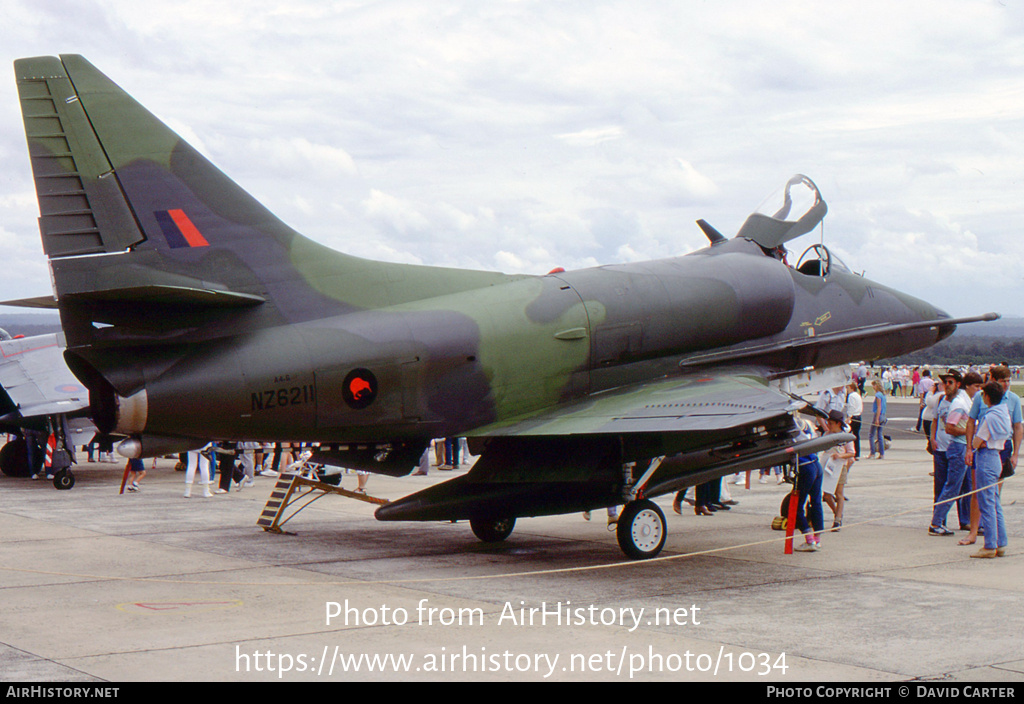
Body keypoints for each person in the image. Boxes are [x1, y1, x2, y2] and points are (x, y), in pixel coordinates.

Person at [968, 381, 1011, 558]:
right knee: (994, 502)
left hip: (987, 458)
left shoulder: (990, 416)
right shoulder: (1004, 412)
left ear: (987, 396)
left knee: (986, 503)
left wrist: (976, 443)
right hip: (997, 457)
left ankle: (990, 545)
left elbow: (977, 441)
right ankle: (1001, 543)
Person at [928, 369, 973, 536]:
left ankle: (965, 520)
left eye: (950, 382)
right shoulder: (942, 399)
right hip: (942, 448)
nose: (946, 385)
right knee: (944, 486)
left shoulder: (961, 401)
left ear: (958, 384)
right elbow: (939, 422)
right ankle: (939, 521)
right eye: (944, 382)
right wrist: (932, 439)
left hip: (954, 447)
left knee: (964, 486)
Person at [821, 409, 855, 531]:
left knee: (839, 494)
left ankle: (838, 519)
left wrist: (840, 456)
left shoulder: (845, 437)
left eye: (831, 423)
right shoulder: (826, 435)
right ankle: (836, 513)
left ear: (838, 424)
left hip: (840, 466)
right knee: (826, 494)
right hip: (827, 466)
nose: (828, 426)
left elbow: (851, 453)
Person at [866, 380, 887, 459]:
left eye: (874, 385)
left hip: (878, 415)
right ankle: (882, 454)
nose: (873, 387)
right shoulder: (883, 395)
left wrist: (877, 418)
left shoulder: (878, 395)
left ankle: (872, 453)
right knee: (880, 435)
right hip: (883, 415)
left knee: (871, 434)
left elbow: (879, 407)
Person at [844, 381, 863, 459]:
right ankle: (857, 454)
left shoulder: (851, 396)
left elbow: (851, 407)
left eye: (847, 388)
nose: (847, 389)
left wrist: (849, 417)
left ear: (851, 388)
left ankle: (849, 451)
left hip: (853, 417)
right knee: (856, 436)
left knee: (847, 435)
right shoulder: (858, 395)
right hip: (858, 416)